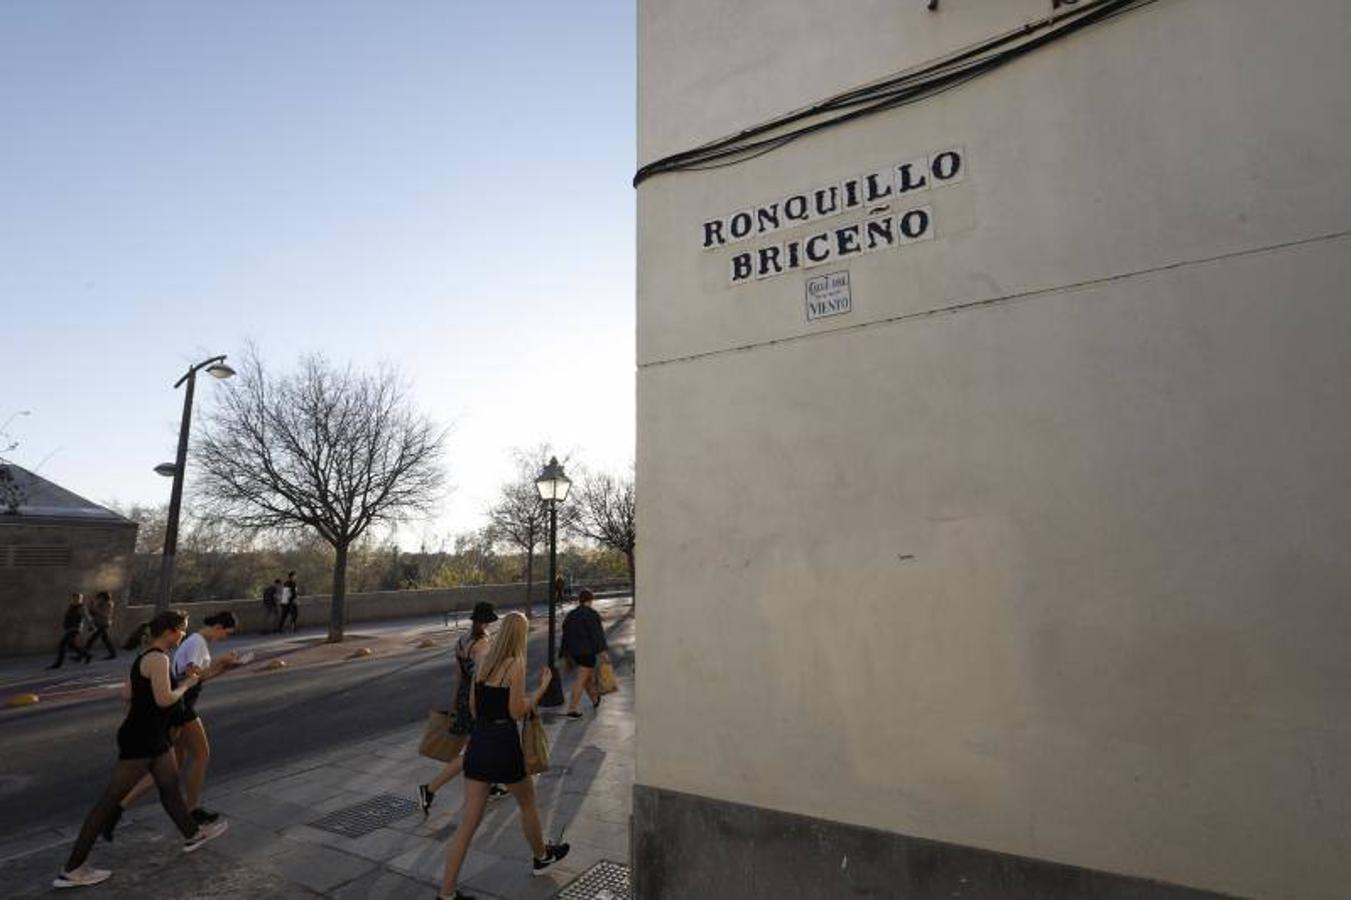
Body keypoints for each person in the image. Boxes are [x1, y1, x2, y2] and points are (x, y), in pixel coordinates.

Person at [52, 609, 229, 889]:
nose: (183, 635)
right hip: (142, 738)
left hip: (150, 735)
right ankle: (73, 868)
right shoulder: (158, 658)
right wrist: (186, 684)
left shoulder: (145, 657)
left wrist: (172, 682)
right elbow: (164, 700)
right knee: (110, 800)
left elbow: (128, 693)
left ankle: (193, 834)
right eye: (181, 630)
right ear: (170, 632)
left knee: (170, 787)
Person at [438, 612, 568, 899]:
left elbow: (473, 706)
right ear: (519, 635)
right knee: (527, 803)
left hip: (479, 743)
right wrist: (541, 690)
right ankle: (541, 857)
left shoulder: (482, 662)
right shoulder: (515, 665)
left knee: (468, 824)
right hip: (504, 745)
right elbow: (516, 712)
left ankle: (445, 894)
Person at [107, 612, 241, 838]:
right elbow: (189, 678)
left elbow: (195, 677)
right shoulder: (196, 643)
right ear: (218, 626)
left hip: (177, 708)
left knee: (169, 768)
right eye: (226, 633)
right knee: (201, 755)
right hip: (181, 709)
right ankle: (193, 809)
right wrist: (220, 661)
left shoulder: (193, 643)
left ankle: (118, 807)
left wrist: (222, 669)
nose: (224, 638)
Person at [417, 602, 507, 815]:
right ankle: (429, 789)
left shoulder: (461, 641)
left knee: (481, 746)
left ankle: (491, 784)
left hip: (464, 698)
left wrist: (456, 701)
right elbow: (481, 677)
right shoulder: (483, 644)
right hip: (478, 700)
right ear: (485, 622)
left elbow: (459, 675)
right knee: (474, 751)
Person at [559, 589, 608, 719]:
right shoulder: (592, 614)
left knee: (586, 678)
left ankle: (595, 700)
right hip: (587, 653)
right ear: (591, 600)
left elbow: (565, 635)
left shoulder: (571, 614)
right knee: (581, 679)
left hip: (574, 653)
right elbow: (597, 635)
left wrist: (564, 653)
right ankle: (572, 709)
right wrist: (603, 651)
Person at [49, 593, 92, 668]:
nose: (76, 600)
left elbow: (87, 617)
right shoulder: (71, 606)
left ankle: (58, 664)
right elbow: (67, 617)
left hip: (75, 629)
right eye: (74, 598)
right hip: (69, 628)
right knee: (72, 645)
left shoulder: (81, 607)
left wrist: (91, 626)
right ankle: (87, 655)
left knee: (62, 645)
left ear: (80, 599)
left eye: (78, 599)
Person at [81, 591, 118, 661]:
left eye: (100, 597)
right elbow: (93, 613)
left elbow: (104, 614)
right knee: (105, 640)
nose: (98, 599)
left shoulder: (108, 604)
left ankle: (82, 654)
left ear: (104, 598)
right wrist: (90, 607)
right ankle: (113, 654)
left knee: (91, 640)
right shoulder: (100, 604)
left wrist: (94, 608)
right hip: (98, 623)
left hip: (103, 624)